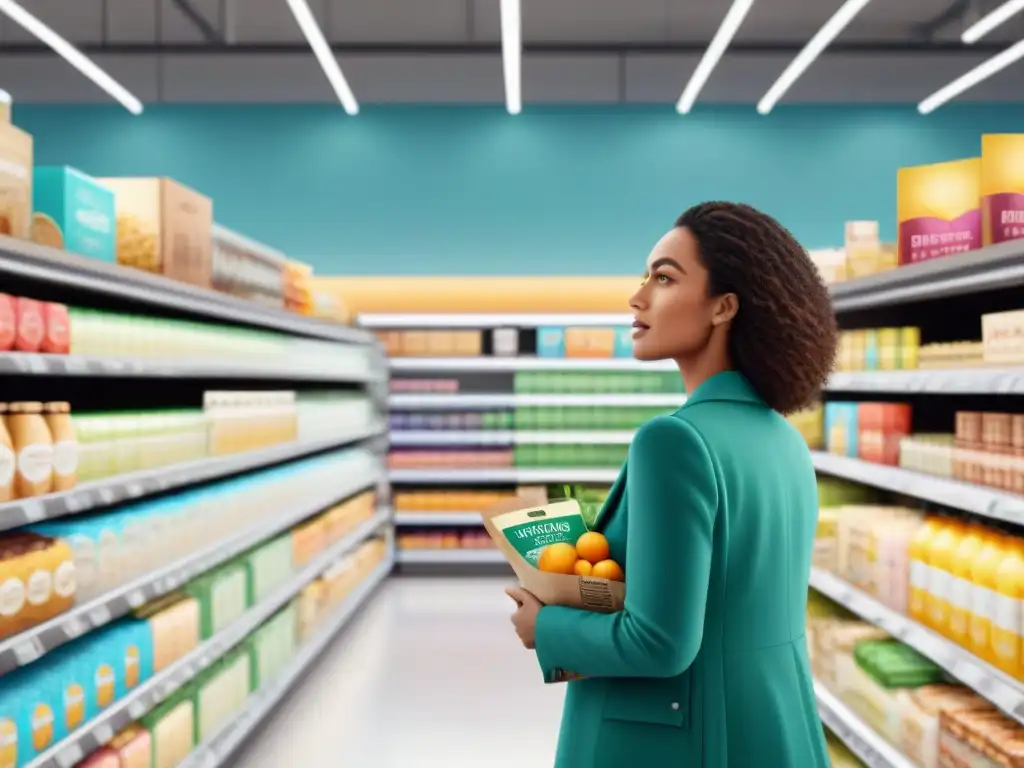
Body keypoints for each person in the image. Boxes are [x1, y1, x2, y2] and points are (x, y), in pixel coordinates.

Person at [506, 201, 837, 767]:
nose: (637, 298)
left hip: (678, 740)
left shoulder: (673, 442)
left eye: (663, 278)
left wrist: (549, 626)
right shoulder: (783, 438)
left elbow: (660, 643)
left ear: (723, 307)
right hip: (774, 731)